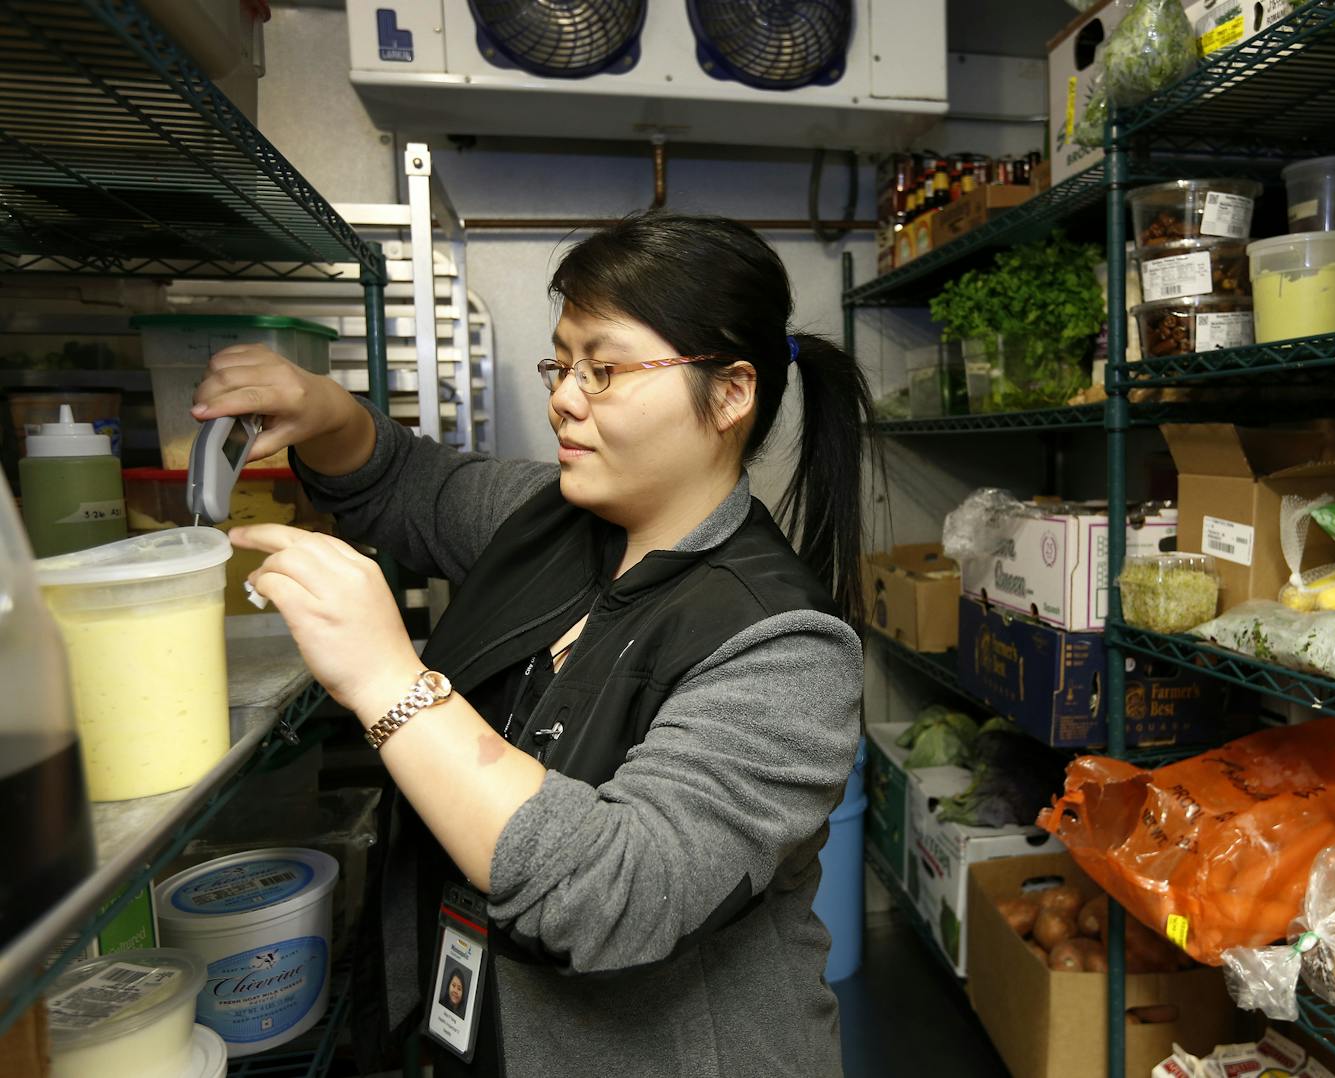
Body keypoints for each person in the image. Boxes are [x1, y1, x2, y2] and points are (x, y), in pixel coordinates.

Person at [192, 212, 873, 1077]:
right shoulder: (550, 516)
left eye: (606, 368)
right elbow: (407, 482)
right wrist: (323, 409)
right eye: (563, 362)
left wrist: (388, 678)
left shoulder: (787, 649)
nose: (564, 394)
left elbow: (619, 893)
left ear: (731, 392)